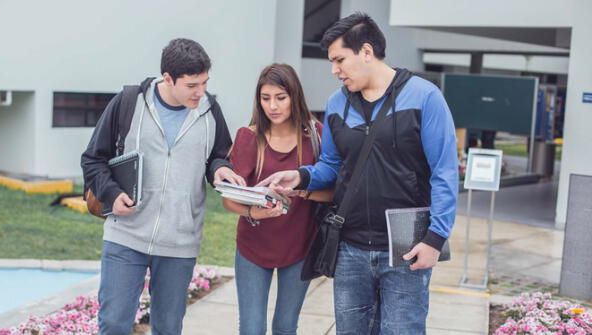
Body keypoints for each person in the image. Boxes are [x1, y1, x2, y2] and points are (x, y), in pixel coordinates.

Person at [258, 13, 459, 334]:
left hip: (407, 247)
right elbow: (331, 167)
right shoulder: (337, 103)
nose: (334, 70)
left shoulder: (425, 97)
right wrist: (298, 177)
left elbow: (445, 173)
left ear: (366, 52)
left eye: (339, 60)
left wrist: (435, 239)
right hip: (349, 247)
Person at [81, 38, 244, 335]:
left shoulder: (210, 111)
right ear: (168, 79)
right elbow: (93, 159)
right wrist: (112, 194)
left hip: (179, 243)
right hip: (125, 236)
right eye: (192, 85)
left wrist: (221, 168)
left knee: (168, 328)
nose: (200, 92)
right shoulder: (129, 102)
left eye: (205, 82)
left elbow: (218, 154)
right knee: (114, 324)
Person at [222, 63, 333, 335]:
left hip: (300, 245)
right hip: (253, 245)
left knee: (285, 326)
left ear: (294, 96)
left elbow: (332, 191)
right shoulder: (248, 137)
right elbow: (228, 199)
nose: (273, 106)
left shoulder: (317, 134)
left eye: (280, 98)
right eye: (265, 98)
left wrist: (300, 190)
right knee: (251, 328)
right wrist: (253, 213)